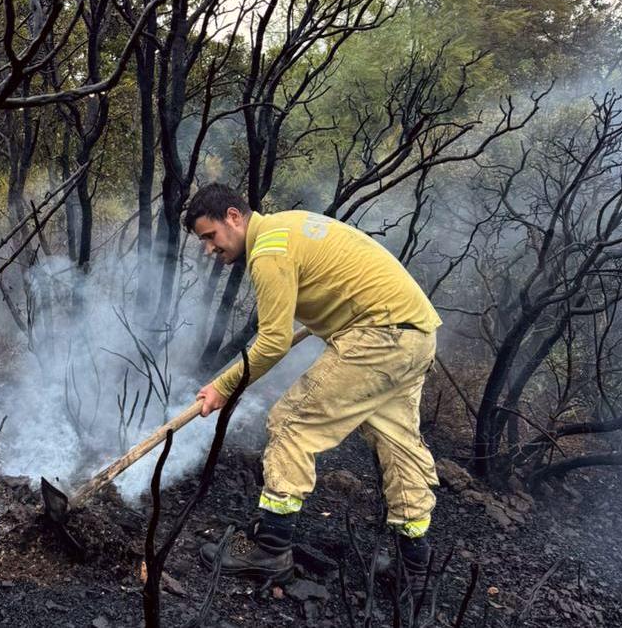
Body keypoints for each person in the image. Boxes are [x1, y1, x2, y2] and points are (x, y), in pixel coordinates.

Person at [184, 183, 441, 591]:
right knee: (397, 443)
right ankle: (416, 564)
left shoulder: (269, 250)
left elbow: (272, 342)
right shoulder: (287, 228)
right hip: (415, 335)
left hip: (379, 336)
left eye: (209, 237)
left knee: (290, 424)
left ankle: (270, 549)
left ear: (233, 216)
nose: (209, 250)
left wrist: (222, 386)